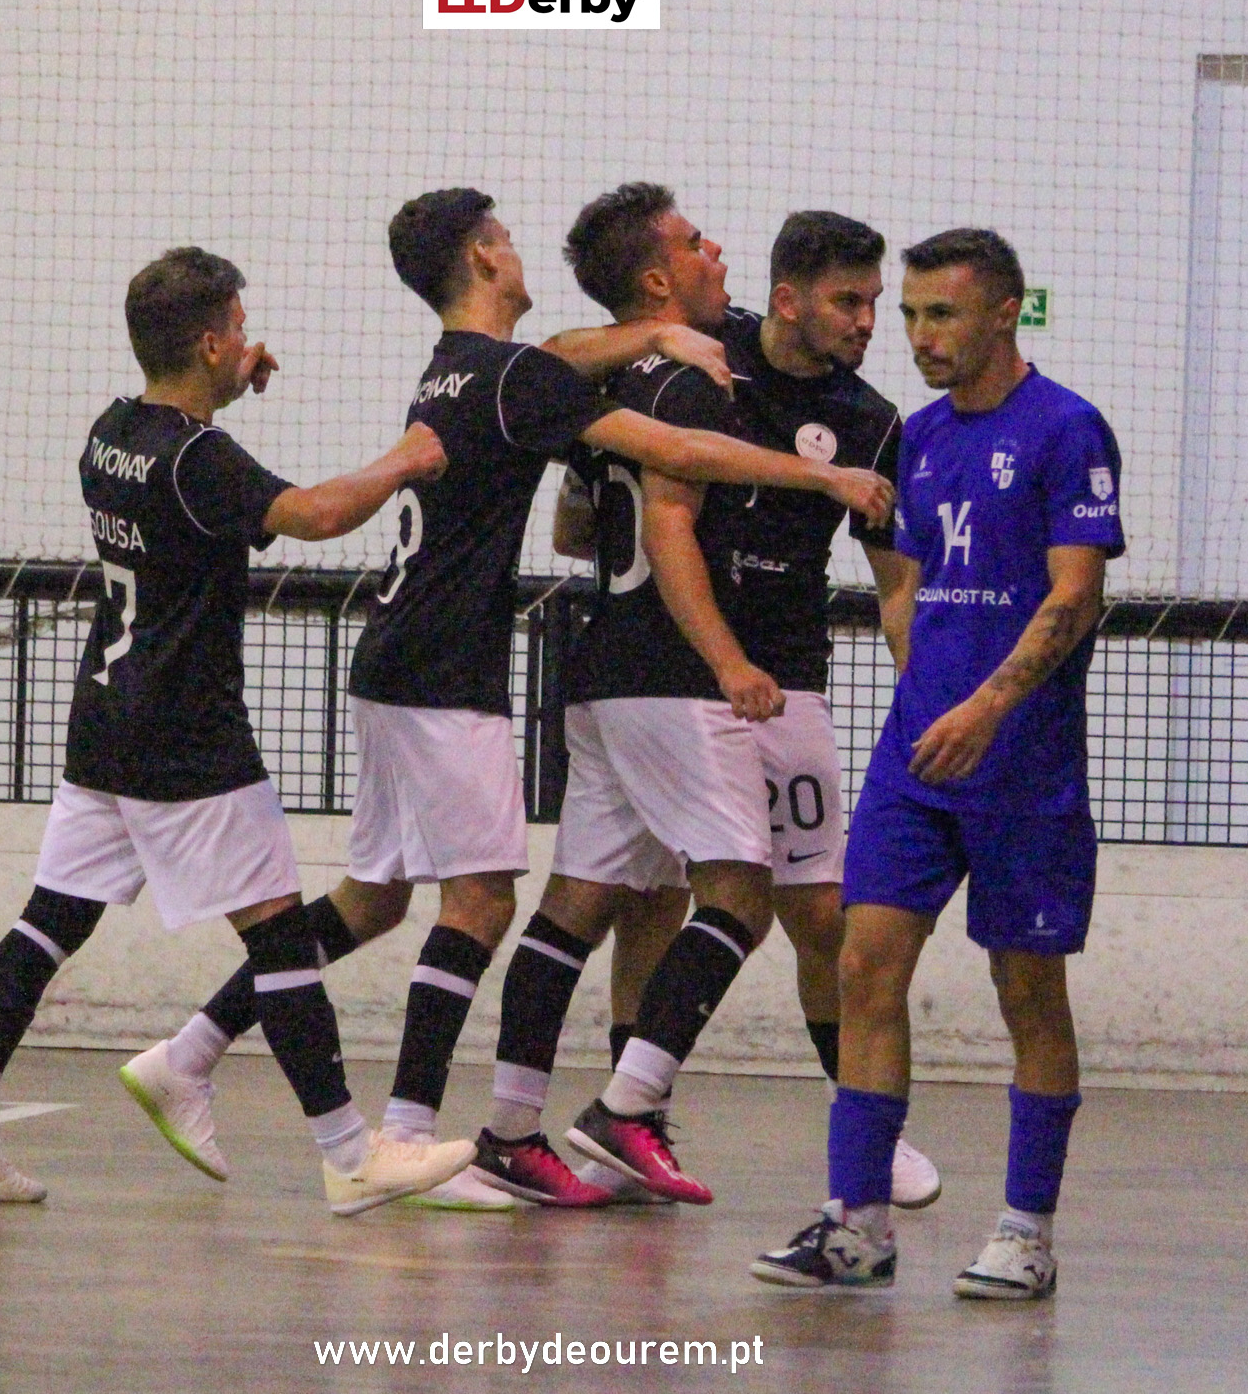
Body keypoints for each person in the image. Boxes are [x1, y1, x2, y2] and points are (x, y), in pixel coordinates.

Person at [119, 190, 890, 1211]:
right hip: (447, 667)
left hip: (397, 655)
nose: (522, 252)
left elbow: (570, 361)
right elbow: (682, 454)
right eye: (509, 240)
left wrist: (654, 330)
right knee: (481, 899)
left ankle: (191, 1048)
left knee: (375, 898)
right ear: (485, 257)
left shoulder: (461, 365)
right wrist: (818, 476)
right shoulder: (513, 377)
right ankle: (402, 1135)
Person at [0, 246, 474, 1217]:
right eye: (239, 328)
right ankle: (350, 1154)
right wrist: (405, 459)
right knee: (281, 940)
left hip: (104, 723)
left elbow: (191, 488)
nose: (250, 340)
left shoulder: (113, 433)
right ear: (210, 340)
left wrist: (224, 393)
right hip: (187, 739)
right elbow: (310, 514)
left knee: (48, 920)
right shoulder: (200, 459)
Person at [487, 209, 941, 1211]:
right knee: (704, 896)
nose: (869, 321)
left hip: (783, 675)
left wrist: (921, 704)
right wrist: (724, 654)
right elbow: (599, 424)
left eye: (877, 303)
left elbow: (894, 579)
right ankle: (626, 1109)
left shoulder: (870, 419)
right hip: (693, 672)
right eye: (848, 301)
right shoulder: (700, 356)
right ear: (787, 301)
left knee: (812, 908)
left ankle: (859, 1125)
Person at [751, 228, 1125, 1295]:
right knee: (862, 961)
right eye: (907, 314)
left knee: (1026, 990)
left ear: (1004, 311)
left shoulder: (1065, 429)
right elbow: (903, 583)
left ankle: (1024, 1229)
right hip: (917, 759)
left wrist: (986, 704)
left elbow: (1073, 594)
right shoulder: (912, 438)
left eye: (939, 314)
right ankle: (856, 1223)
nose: (915, 335)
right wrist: (925, 693)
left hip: (1021, 766)